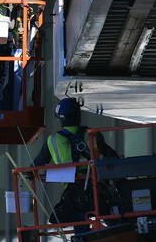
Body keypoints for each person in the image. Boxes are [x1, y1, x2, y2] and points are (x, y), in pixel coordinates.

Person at [32, 98, 121, 231]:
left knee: (79, 224)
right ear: (78, 115)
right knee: (115, 223)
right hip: (97, 189)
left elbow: (36, 165)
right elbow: (113, 156)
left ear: (60, 119)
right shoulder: (93, 135)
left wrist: (28, 173)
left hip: (74, 195)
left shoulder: (53, 140)